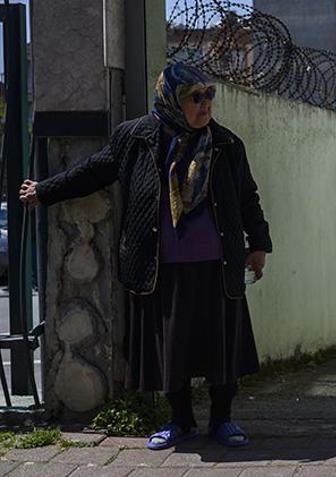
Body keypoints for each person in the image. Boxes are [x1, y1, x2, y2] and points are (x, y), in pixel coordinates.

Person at [19, 63, 272, 450]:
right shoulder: (136, 137)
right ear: (171, 99)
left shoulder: (226, 145)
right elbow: (94, 171)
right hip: (161, 267)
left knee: (221, 349)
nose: (205, 105)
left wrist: (258, 245)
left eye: (209, 95)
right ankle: (180, 421)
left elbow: (246, 198)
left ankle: (222, 420)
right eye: (195, 97)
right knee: (171, 351)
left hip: (217, 266)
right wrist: (45, 190)